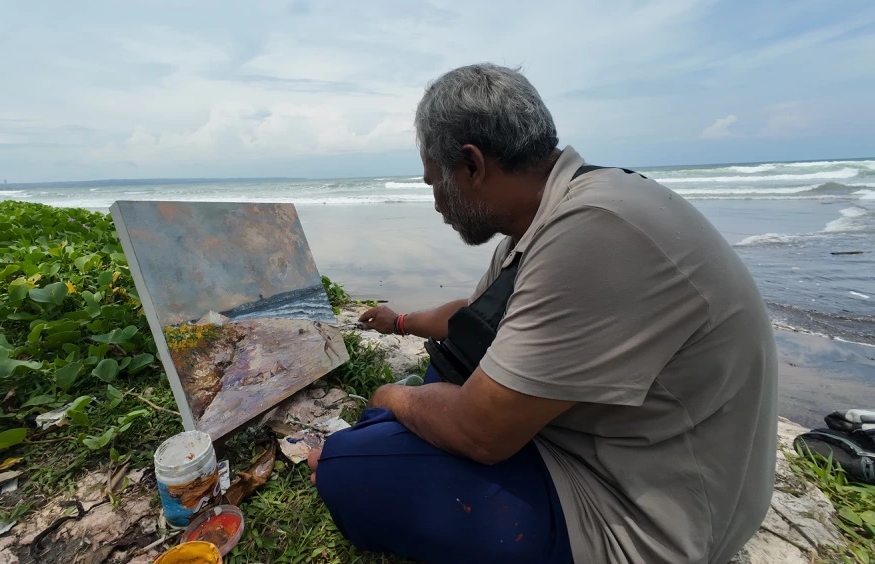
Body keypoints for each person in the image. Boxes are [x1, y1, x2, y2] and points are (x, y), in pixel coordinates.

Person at [307, 63, 778, 564]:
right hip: (597, 447)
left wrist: (389, 395)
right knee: (426, 391)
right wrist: (400, 324)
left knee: (347, 464)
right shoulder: (550, 213)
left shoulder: (594, 229)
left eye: (434, 183)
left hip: (645, 517)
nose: (438, 203)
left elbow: (479, 433)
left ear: (472, 165)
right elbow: (474, 319)